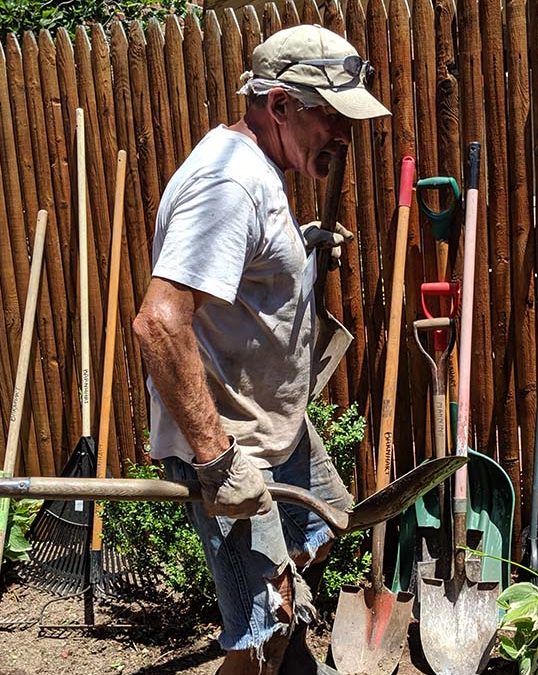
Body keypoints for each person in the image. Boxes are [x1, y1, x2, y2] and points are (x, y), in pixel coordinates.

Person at [132, 23, 391, 675]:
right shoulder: (227, 186)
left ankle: (267, 621)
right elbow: (159, 322)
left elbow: (237, 279)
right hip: (234, 445)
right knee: (268, 618)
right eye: (331, 117)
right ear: (279, 105)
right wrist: (219, 465)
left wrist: (298, 251)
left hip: (280, 430)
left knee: (327, 523)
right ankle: (268, 637)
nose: (343, 135)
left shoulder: (259, 169)